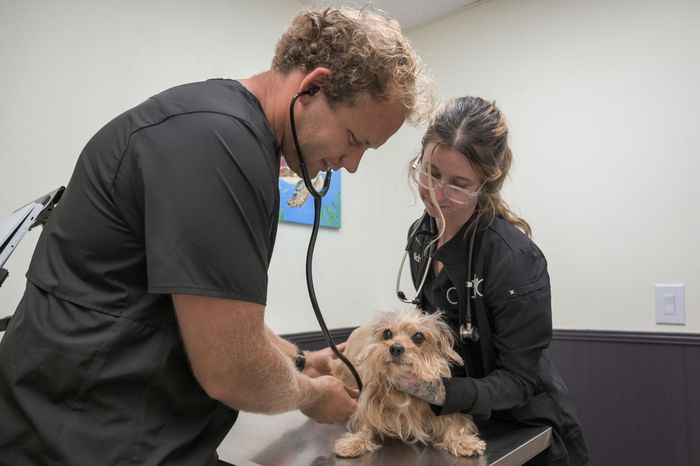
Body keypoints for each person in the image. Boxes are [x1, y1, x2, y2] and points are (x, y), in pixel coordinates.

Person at [0, 7, 430, 466]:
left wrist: (304, 361)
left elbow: (222, 317)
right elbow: (233, 370)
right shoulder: (218, 143)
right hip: (78, 440)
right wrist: (311, 395)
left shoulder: (223, 132)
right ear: (313, 87)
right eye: (355, 139)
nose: (352, 164)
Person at [392, 96, 589, 465]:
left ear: (486, 184)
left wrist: (439, 392)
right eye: (431, 172)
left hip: (527, 434)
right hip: (458, 427)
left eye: (457, 184)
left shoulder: (514, 260)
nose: (437, 193)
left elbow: (518, 382)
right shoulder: (420, 238)